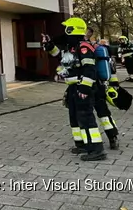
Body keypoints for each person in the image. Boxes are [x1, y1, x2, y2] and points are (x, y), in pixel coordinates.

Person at [42, 17, 106, 161]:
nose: (64, 32)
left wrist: (84, 89)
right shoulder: (72, 47)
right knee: (75, 118)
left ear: (71, 30)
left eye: (66, 29)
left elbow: (90, 69)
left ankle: (96, 149)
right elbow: (62, 58)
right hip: (72, 88)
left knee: (86, 118)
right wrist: (49, 45)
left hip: (82, 88)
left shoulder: (84, 47)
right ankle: (82, 144)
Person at [92, 34, 119, 150]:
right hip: (100, 85)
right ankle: (113, 137)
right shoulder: (102, 52)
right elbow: (112, 70)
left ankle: (91, 141)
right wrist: (113, 85)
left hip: (89, 86)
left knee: (85, 115)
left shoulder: (85, 50)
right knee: (104, 114)